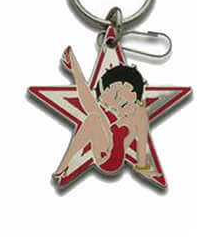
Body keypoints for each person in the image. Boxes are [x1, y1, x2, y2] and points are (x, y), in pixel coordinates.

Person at [53, 46, 157, 180]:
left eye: (117, 96)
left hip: (112, 160)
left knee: (93, 117)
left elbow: (142, 142)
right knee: (94, 115)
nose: (111, 105)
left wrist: (143, 166)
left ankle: (63, 166)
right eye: (110, 98)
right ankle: (74, 68)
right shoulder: (121, 112)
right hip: (104, 151)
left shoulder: (139, 114)